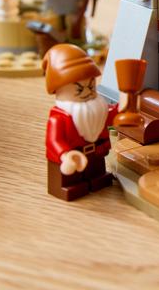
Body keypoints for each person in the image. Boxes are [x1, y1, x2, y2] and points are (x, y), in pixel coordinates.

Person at [42, 44, 118, 201]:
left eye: (91, 86)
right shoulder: (59, 118)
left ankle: (96, 179)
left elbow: (110, 117)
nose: (88, 92)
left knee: (96, 172)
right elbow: (54, 141)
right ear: (59, 89)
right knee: (71, 178)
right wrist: (66, 155)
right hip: (73, 156)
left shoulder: (99, 109)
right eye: (79, 89)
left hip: (96, 152)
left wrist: (123, 105)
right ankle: (73, 186)